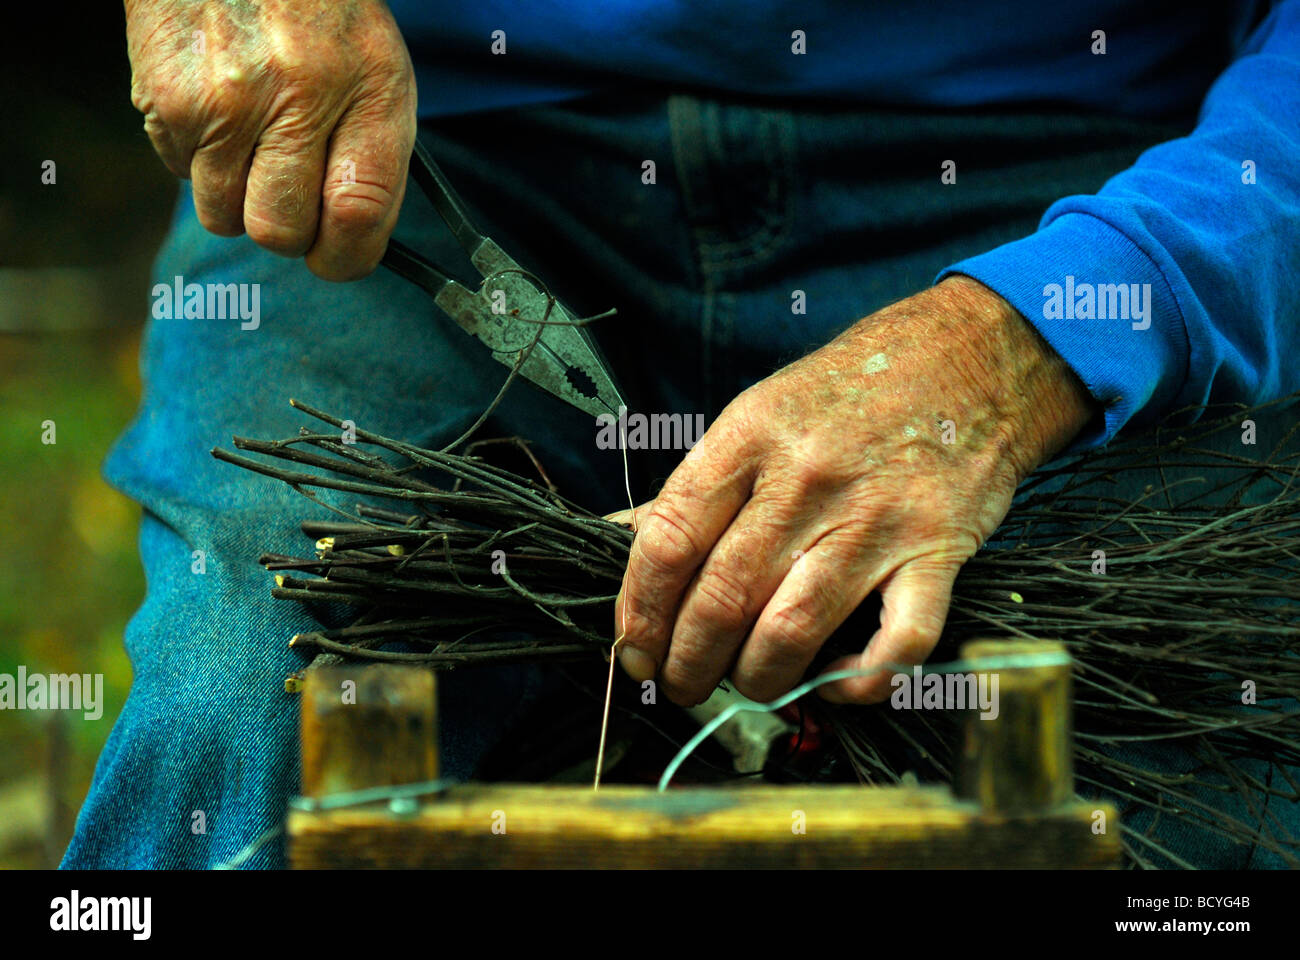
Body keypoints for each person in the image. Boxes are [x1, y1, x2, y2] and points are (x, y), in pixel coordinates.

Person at [65, 0, 1299, 868]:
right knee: (237, 696)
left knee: (1205, 811)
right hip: (418, 146)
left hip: (1091, 180)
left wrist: (1033, 337)